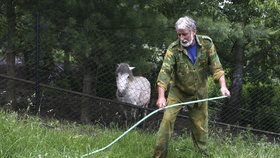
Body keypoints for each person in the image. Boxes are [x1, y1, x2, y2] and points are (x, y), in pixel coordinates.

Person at [153, 16, 231, 158]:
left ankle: (202, 155)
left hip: (199, 94)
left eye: (185, 33)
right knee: (166, 122)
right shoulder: (173, 49)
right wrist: (161, 97)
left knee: (200, 130)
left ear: (193, 31)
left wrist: (223, 87)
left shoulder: (207, 44)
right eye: (179, 34)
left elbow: (217, 68)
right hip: (178, 93)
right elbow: (164, 73)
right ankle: (158, 156)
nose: (182, 37)